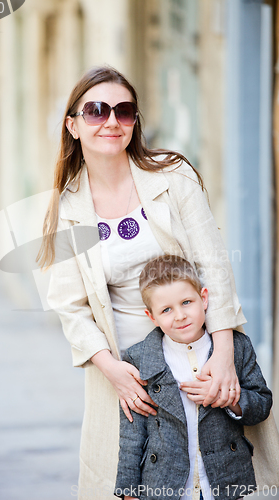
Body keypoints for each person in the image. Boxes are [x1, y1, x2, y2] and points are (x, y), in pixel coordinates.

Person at [39, 66, 279, 499]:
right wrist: (114, 372)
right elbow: (69, 307)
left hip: (199, 347)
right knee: (139, 474)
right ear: (72, 125)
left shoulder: (174, 177)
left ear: (134, 122)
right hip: (126, 363)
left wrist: (224, 351)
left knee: (217, 464)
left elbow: (214, 267)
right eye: (95, 111)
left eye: (124, 110)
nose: (111, 121)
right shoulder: (67, 206)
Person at [114, 254, 272, 500]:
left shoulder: (236, 347)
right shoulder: (139, 358)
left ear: (204, 298)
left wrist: (229, 399)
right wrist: (129, 491)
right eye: (166, 309)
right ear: (151, 316)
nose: (179, 316)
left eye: (186, 302)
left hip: (222, 482)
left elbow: (262, 404)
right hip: (164, 484)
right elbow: (131, 434)